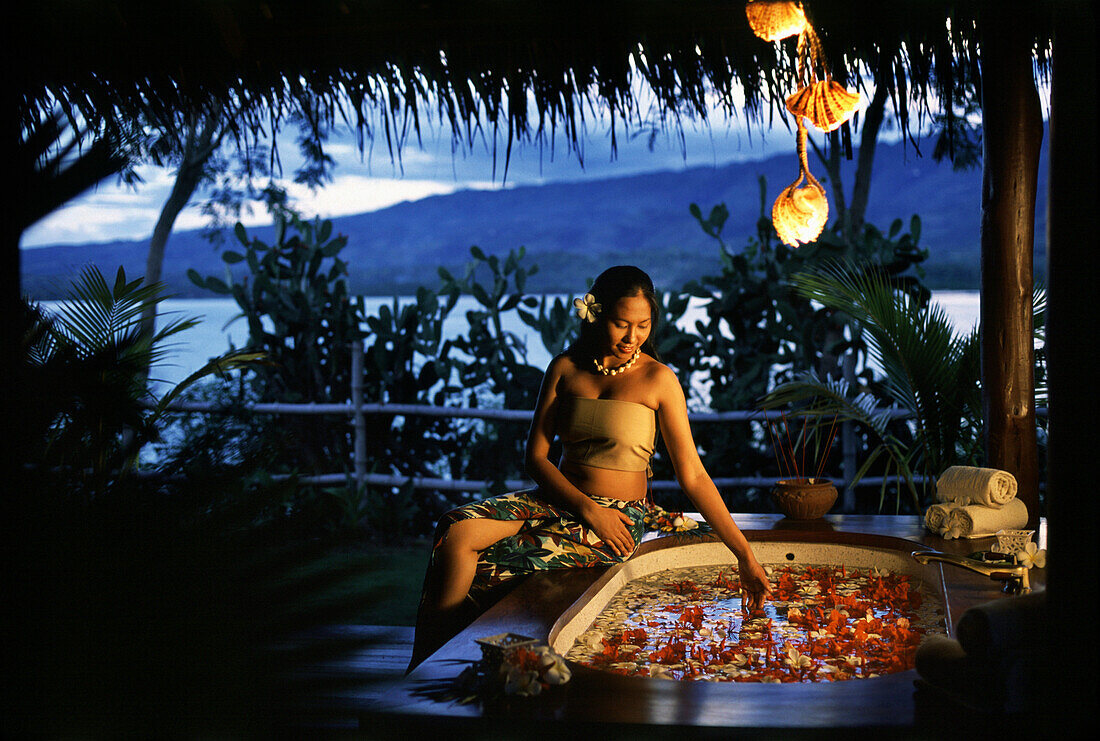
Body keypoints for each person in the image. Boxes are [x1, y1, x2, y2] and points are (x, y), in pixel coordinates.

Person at [407, 265, 771, 671]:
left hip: (618, 516)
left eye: (643, 325)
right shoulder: (565, 368)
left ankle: (450, 669)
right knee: (455, 529)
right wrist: (587, 508)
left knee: (496, 563)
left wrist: (744, 556)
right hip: (559, 501)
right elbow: (536, 457)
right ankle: (426, 667)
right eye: (621, 324)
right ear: (596, 315)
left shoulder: (659, 380)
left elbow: (694, 476)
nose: (632, 337)